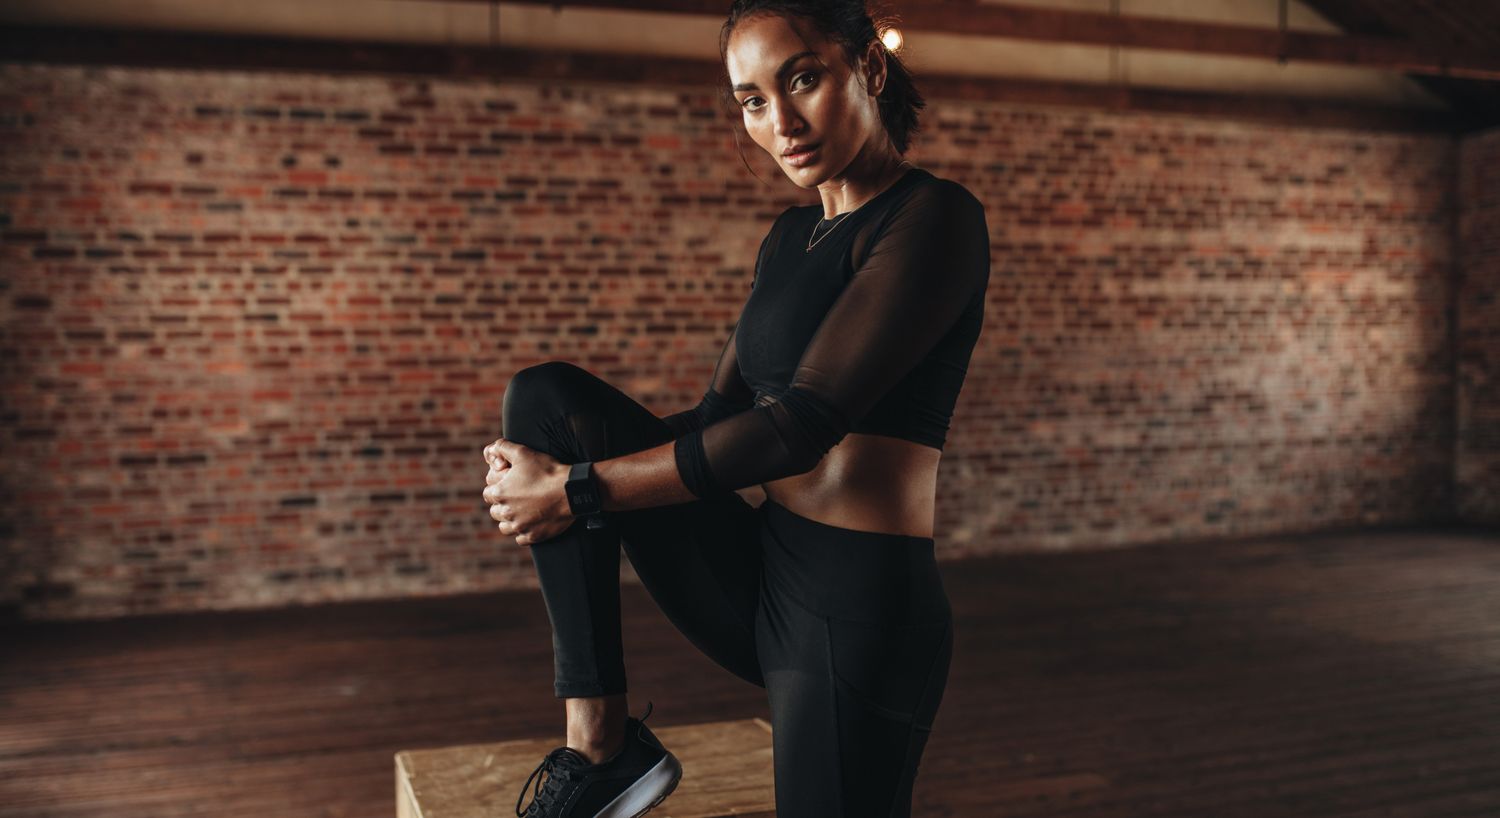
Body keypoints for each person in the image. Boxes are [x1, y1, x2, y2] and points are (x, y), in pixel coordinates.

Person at [482, 1, 990, 815]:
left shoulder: (934, 218)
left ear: (870, 68)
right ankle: (601, 748)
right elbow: (716, 417)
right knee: (547, 403)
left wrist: (576, 490)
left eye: (803, 79)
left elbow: (799, 426)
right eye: (753, 101)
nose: (780, 122)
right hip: (759, 568)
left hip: (858, 607)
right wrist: (557, 471)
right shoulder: (789, 238)